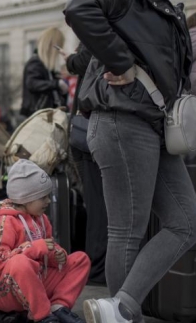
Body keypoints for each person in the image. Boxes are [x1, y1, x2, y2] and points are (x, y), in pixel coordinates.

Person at [63, 0, 196, 321]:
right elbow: (79, 9)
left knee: (188, 223)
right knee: (128, 231)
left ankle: (120, 309)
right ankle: (123, 315)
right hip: (124, 123)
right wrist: (121, 62)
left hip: (149, 123)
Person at [0, 159, 90, 323]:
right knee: (20, 263)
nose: (48, 201)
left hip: (37, 282)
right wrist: (33, 248)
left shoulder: (41, 218)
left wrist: (56, 255)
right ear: (25, 199)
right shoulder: (2, 222)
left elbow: (48, 247)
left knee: (80, 259)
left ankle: (59, 307)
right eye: (43, 197)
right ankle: (44, 316)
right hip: (5, 291)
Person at [66, 45, 108, 286]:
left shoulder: (92, 31)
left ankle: (95, 266)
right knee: (100, 204)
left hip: (84, 128)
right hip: (94, 127)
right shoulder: (101, 30)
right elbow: (83, 61)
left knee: (95, 202)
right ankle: (97, 268)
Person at [20, 27, 69, 118]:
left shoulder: (45, 66)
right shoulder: (36, 62)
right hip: (38, 115)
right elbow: (32, 83)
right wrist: (56, 83)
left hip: (41, 114)